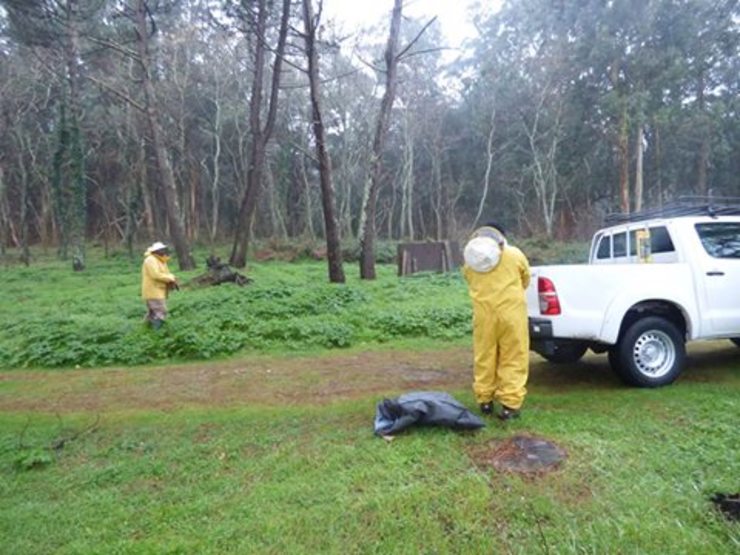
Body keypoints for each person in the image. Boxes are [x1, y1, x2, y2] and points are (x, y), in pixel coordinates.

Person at [462, 222, 531, 420]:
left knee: (484, 356)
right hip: (512, 314)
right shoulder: (514, 254)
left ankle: (484, 400)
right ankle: (510, 405)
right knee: (513, 356)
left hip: (483, 315)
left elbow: (468, 278)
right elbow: (525, 278)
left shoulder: (471, 260)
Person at [141, 241, 178, 330]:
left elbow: (165, 273)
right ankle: (157, 333)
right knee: (160, 311)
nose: (164, 252)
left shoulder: (160, 260)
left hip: (158, 290)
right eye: (162, 250)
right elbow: (156, 275)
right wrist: (171, 278)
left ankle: (145, 331)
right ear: (156, 251)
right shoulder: (150, 260)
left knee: (153, 313)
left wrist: (171, 279)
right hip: (153, 291)